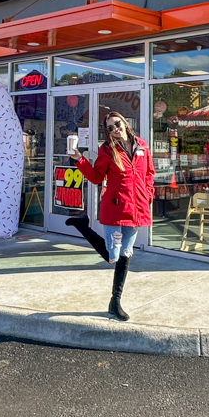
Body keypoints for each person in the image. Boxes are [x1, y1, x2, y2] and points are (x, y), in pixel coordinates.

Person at [66, 111, 155, 321]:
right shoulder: (107, 150)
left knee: (126, 253)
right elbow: (97, 177)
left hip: (137, 207)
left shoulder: (142, 146)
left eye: (117, 124)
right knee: (112, 255)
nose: (115, 129)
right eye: (110, 127)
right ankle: (83, 226)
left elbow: (149, 173)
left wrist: (148, 194)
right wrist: (78, 158)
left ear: (125, 122)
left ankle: (115, 302)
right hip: (116, 207)